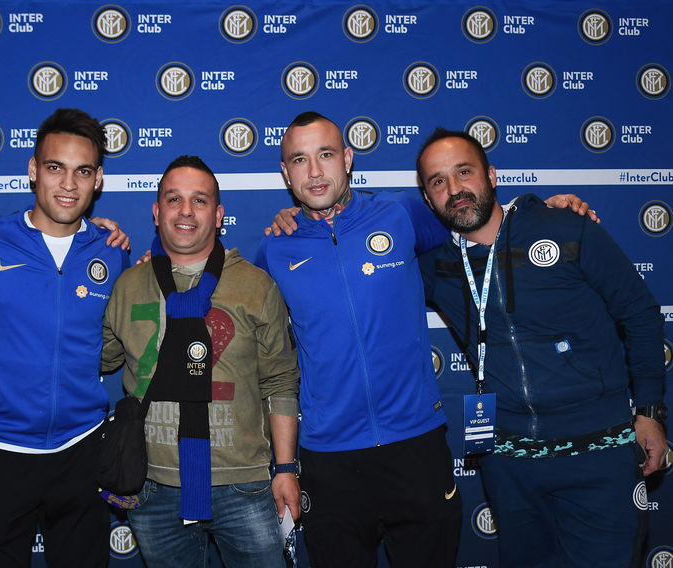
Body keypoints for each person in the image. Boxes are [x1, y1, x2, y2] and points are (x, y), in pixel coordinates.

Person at [415, 128, 667, 567]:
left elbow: (640, 313)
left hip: (599, 452)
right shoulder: (436, 265)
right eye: (438, 181)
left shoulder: (565, 227)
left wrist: (648, 410)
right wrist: (299, 217)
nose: (454, 189)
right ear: (427, 198)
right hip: (510, 464)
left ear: (492, 176)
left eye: (464, 172)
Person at [254, 111, 462, 567]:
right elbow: (230, 306)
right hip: (330, 458)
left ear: (347, 159)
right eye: (299, 160)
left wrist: (543, 213)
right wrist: (158, 262)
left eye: (326, 155)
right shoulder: (274, 249)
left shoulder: (400, 212)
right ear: (285, 173)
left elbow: (476, 227)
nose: (314, 171)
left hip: (416, 444)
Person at [101, 155, 301, 567]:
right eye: (174, 199)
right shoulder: (127, 286)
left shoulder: (256, 285)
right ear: (157, 212)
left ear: (219, 214)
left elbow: (280, 383)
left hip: (243, 484)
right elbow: (99, 359)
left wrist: (285, 468)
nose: (186, 211)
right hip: (152, 485)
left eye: (200, 200)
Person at [0, 108, 131, 567]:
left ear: (98, 179)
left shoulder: (111, 251)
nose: (68, 184)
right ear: (34, 169)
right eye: (55, 167)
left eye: (83, 171)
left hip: (82, 449)